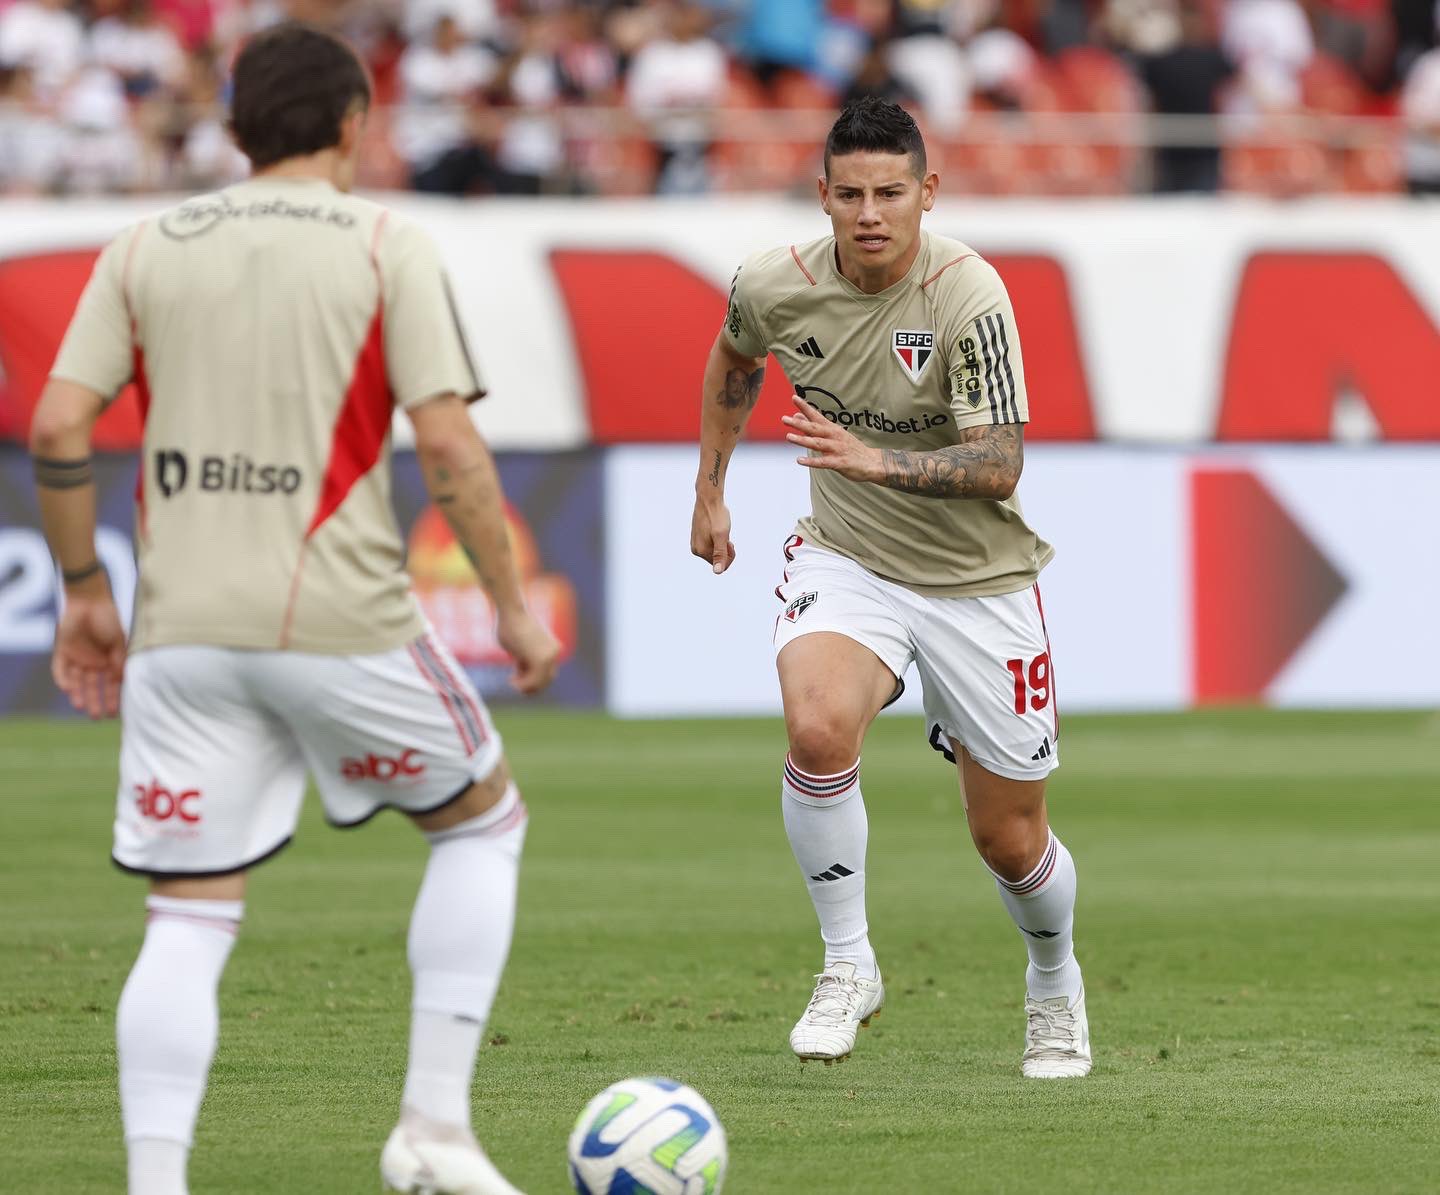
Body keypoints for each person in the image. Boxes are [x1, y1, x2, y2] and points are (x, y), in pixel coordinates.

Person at [28, 22, 558, 1195]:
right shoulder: (385, 246)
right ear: (355, 124)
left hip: (180, 629)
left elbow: (60, 425)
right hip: (340, 617)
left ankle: (154, 1184)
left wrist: (83, 594)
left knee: (188, 913)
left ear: (232, 129)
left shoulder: (144, 245)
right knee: (481, 821)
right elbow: (454, 450)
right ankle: (432, 1130)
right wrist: (514, 615)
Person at [689, 97, 1089, 1079]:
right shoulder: (771, 283)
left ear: (927, 194)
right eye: (852, 193)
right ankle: (846, 964)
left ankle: (1053, 980)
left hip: (976, 580)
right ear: (823, 195)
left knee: (1009, 838)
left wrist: (871, 460)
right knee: (818, 727)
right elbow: (736, 355)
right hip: (848, 557)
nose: (871, 213)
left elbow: (999, 464)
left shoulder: (968, 294)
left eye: (892, 193)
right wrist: (710, 489)